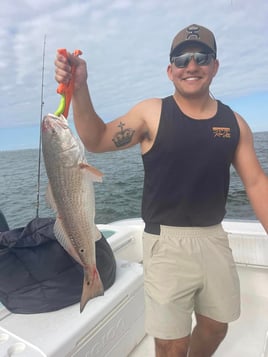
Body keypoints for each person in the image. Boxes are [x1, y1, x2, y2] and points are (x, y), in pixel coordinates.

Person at [55, 24, 268, 357]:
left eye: (201, 57)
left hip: (214, 238)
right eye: (182, 59)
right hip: (165, 243)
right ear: (170, 71)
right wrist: (79, 89)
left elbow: (256, 183)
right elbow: (96, 140)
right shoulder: (151, 113)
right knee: (171, 343)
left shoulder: (235, 123)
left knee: (216, 325)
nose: (191, 65)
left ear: (214, 66)